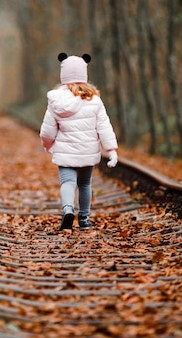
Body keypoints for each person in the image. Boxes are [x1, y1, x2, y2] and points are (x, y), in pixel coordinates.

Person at [39, 52, 118, 231]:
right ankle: (84, 219)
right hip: (87, 152)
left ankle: (68, 209)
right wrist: (111, 150)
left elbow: (48, 130)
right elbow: (104, 127)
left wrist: (47, 145)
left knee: (67, 182)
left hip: (66, 152)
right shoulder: (94, 100)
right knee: (85, 184)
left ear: (63, 75)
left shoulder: (56, 101)